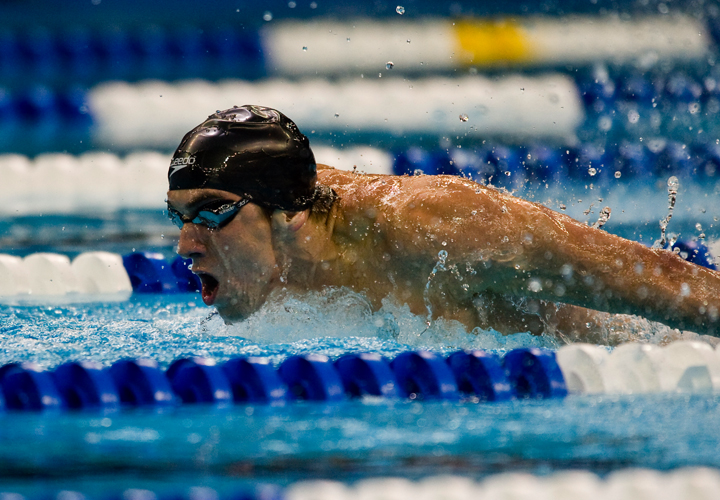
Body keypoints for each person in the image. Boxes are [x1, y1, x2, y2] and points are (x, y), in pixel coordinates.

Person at [166, 105, 720, 343]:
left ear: (287, 213)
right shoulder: (269, 252)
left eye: (211, 212)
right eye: (181, 216)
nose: (187, 245)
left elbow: (657, 280)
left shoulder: (430, 226)